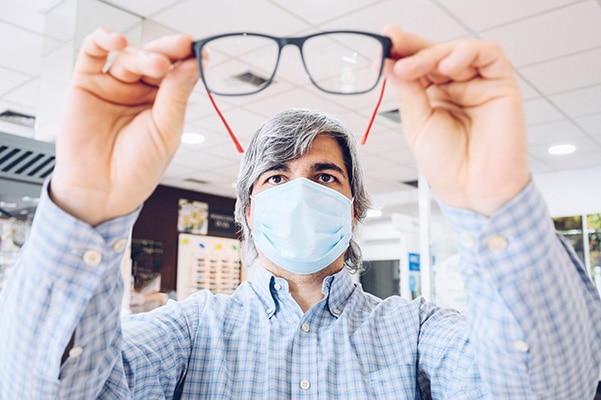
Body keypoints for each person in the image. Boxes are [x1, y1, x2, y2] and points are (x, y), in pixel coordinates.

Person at [0, 24, 600, 399]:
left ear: (355, 206)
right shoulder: (190, 331)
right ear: (248, 210)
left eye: (325, 175)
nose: (300, 190)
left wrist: (493, 204)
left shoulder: (416, 333)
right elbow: (45, 390)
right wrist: (85, 205)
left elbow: (545, 388)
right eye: (277, 177)